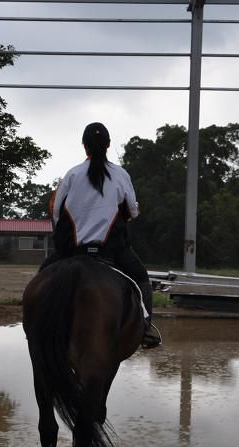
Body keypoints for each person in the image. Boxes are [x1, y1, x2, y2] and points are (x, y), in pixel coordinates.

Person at [42, 122, 161, 349]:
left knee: (41, 278)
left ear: (84, 145)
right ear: (107, 145)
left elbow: (56, 211)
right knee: (142, 280)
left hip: (73, 251)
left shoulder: (71, 175)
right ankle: (145, 329)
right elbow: (132, 212)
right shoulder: (121, 175)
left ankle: (33, 325)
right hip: (112, 250)